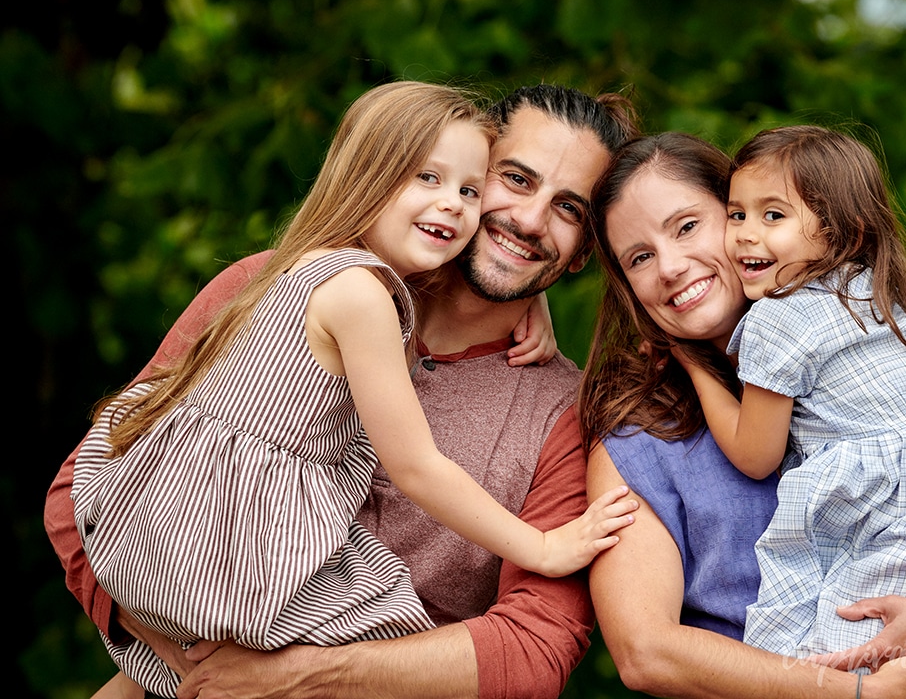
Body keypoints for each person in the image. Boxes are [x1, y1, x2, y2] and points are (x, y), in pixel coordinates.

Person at [46, 82, 641, 699]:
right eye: (514, 179)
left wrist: (298, 677)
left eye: (569, 209)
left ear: (583, 254)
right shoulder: (269, 284)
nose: (529, 219)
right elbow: (86, 491)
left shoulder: (562, 415)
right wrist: (186, 657)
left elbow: (532, 647)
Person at [578, 132, 906, 698]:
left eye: (688, 226)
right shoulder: (636, 436)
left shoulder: (875, 354)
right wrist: (859, 694)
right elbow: (648, 653)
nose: (669, 267)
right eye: (639, 258)